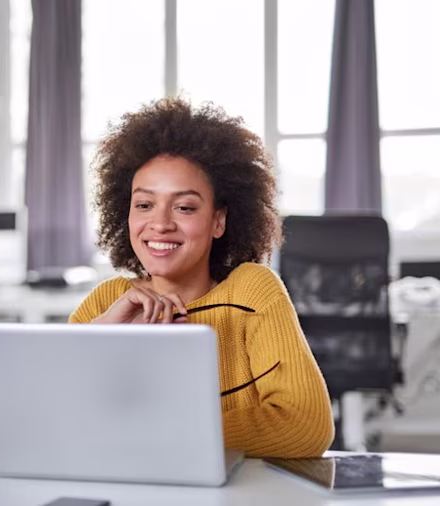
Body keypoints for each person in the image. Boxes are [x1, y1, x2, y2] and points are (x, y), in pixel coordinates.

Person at [69, 96, 334, 458]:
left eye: (184, 207)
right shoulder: (106, 303)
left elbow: (305, 425)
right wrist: (98, 341)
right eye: (144, 205)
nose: (160, 223)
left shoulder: (253, 292)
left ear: (218, 220)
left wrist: (156, 435)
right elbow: (59, 424)